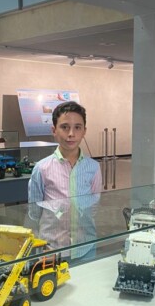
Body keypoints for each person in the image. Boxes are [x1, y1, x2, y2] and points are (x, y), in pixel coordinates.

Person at [28, 101, 102, 261]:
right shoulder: (42, 169)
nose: (71, 134)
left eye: (77, 127)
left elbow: (93, 207)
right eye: (65, 127)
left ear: (84, 131)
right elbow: (34, 212)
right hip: (52, 251)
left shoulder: (93, 167)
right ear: (54, 130)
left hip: (85, 247)